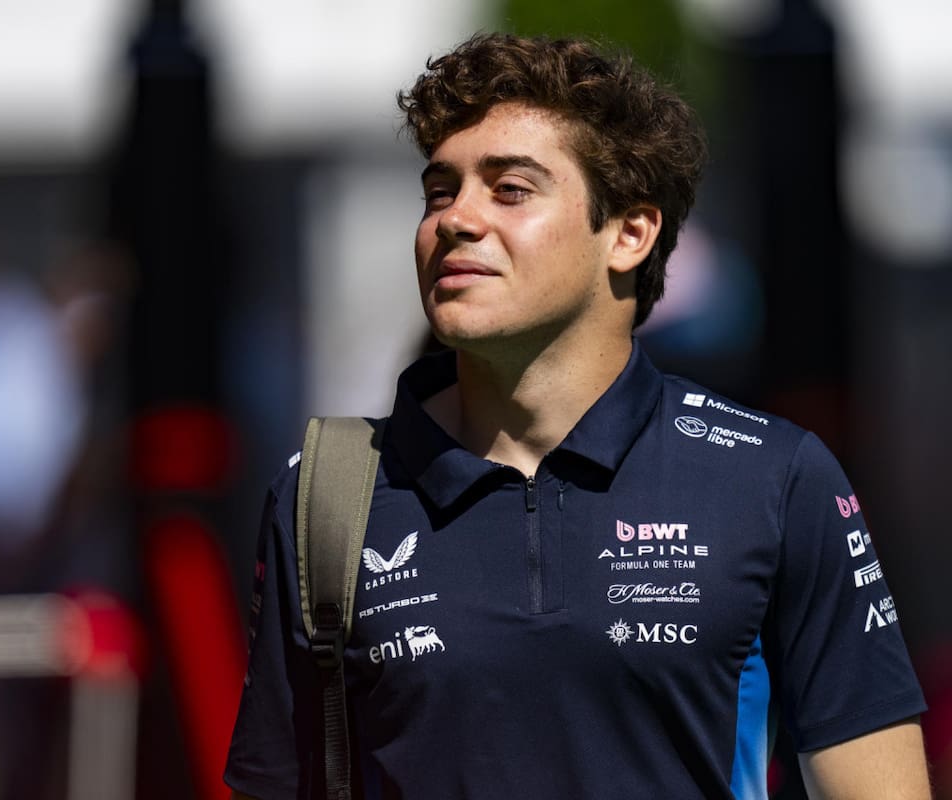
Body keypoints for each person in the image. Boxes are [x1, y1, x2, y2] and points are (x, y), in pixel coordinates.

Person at [224, 33, 930, 799]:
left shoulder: (771, 477)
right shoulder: (326, 498)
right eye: (439, 190)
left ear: (630, 234)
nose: (456, 219)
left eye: (510, 189)